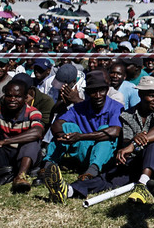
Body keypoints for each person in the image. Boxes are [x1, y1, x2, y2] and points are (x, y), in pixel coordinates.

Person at [41, 70, 123, 201]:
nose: (97, 95)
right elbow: (58, 123)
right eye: (93, 92)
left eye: (101, 91)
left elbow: (115, 131)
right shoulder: (80, 107)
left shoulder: (115, 106)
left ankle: (92, 171)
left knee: (105, 131)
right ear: (87, 93)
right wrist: (62, 135)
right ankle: (48, 167)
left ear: (107, 90)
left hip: (105, 155)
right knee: (67, 126)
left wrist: (80, 137)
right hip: (83, 150)